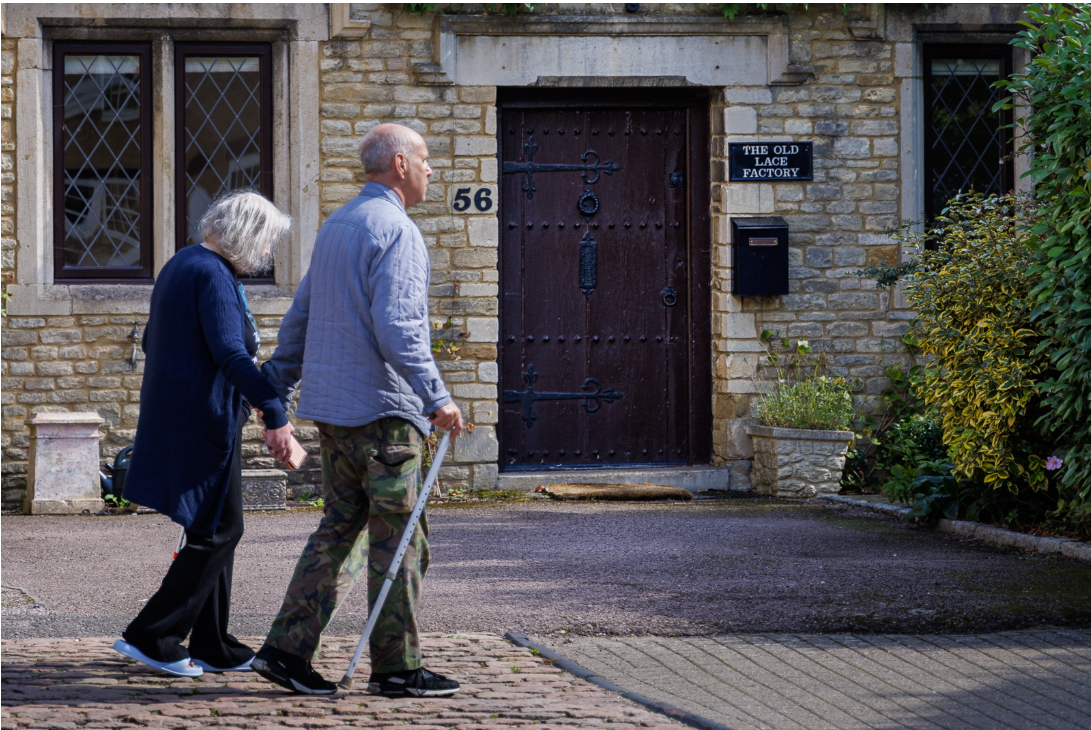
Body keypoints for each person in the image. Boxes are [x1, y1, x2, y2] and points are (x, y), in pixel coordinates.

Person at [251, 123, 464, 697]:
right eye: (424, 159)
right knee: (400, 540)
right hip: (384, 418)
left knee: (338, 530)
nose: (430, 169)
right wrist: (437, 397)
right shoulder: (397, 230)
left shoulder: (338, 226)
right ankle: (397, 669)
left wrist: (273, 387)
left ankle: (285, 651)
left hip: (337, 416)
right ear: (399, 163)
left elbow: (299, 318)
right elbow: (400, 329)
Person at [113, 191, 295, 678]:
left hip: (190, 414)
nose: (265, 255)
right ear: (248, 237)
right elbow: (232, 356)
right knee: (218, 531)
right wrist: (274, 409)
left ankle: (213, 643)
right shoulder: (213, 274)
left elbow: (156, 340)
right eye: (267, 243)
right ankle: (152, 635)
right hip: (201, 420)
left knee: (213, 528)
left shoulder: (183, 263)